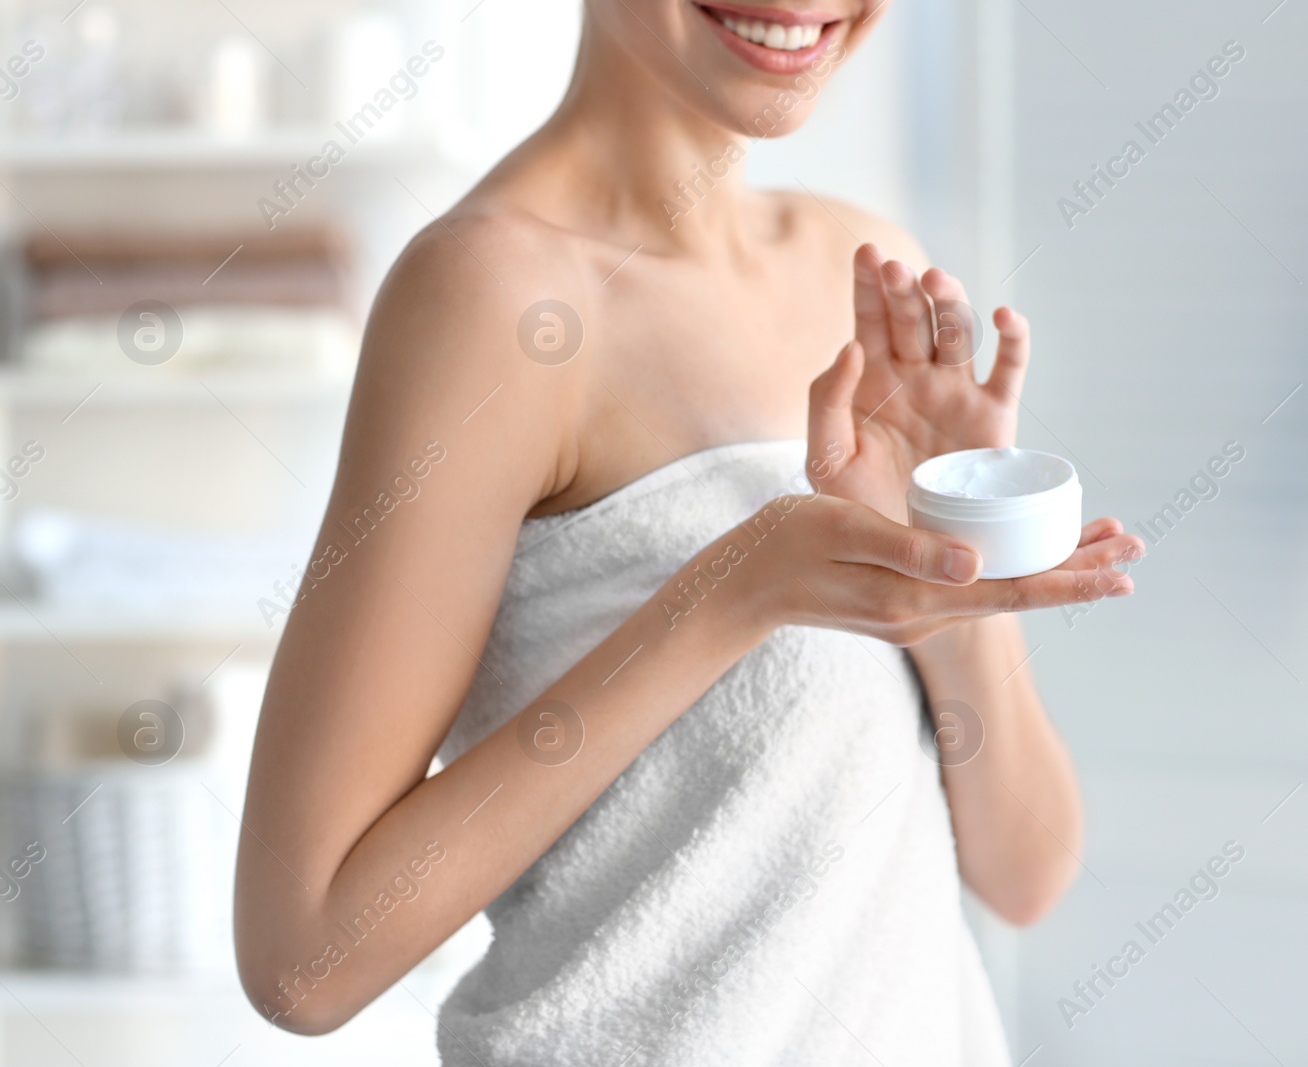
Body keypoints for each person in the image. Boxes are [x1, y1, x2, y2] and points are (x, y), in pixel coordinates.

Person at [235, 2, 1142, 1062]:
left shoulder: (864, 264)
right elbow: (304, 957)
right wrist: (735, 590)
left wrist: (947, 574)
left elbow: (1025, 868)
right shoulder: (493, 300)